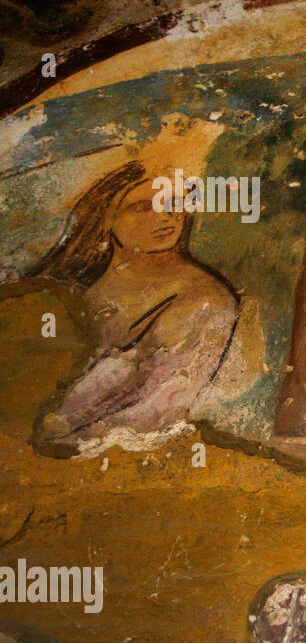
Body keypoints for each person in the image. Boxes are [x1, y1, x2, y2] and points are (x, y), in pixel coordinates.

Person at [23, 161, 238, 454]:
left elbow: (163, 404)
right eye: (141, 207)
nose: (164, 217)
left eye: (172, 202)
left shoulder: (205, 299)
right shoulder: (67, 292)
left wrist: (73, 436)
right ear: (106, 218)